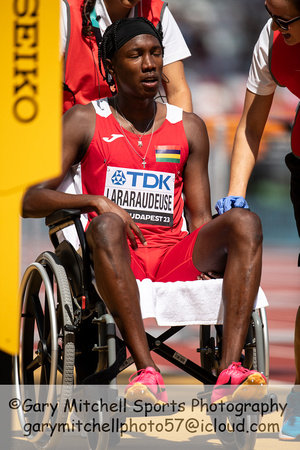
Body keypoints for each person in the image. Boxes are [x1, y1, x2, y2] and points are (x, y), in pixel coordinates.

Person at [22, 17, 266, 405]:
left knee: (245, 223)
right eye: (136, 55)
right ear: (111, 67)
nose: (150, 64)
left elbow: (200, 219)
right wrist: (93, 201)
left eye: (155, 54)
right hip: (115, 258)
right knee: (104, 226)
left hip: (172, 255)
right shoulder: (84, 121)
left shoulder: (188, 127)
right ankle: (146, 369)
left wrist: (221, 253)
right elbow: (30, 200)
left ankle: (230, 370)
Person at [214, 0, 300, 440]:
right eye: (274, 18)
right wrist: (235, 193)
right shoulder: (271, 40)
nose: (280, 29)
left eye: (289, 21)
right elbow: (250, 125)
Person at [60, 0, 193, 113]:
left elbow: (177, 91)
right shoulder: (66, 10)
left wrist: (181, 140)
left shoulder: (157, 12)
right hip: (73, 135)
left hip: (136, 136)